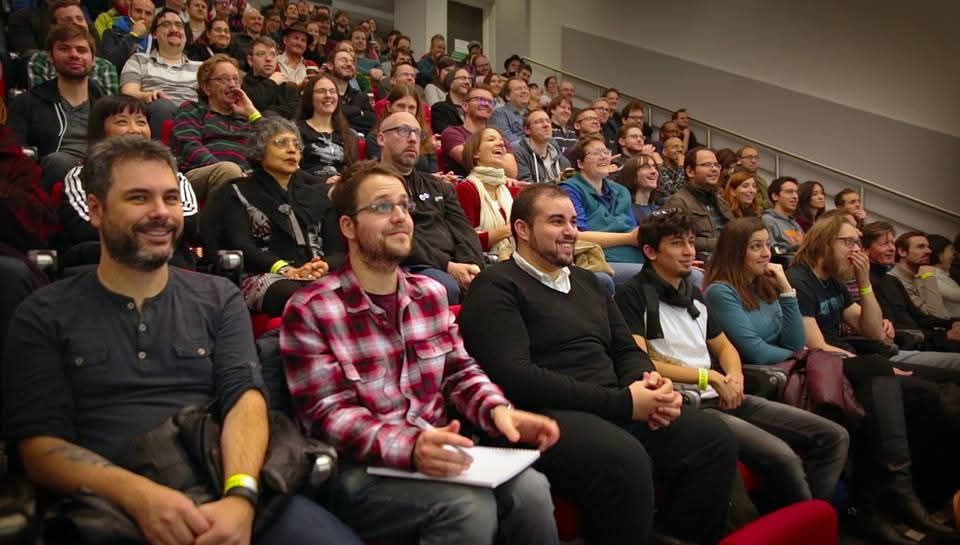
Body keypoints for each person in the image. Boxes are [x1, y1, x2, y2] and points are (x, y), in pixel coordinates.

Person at [3, 135, 364, 545]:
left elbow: (243, 400)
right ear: (97, 210)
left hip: (221, 480)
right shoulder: (43, 312)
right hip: (109, 506)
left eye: (171, 199)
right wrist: (141, 497)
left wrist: (241, 496)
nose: (161, 213)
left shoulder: (217, 297)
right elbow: (39, 447)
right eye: (139, 198)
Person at [280, 161, 559, 545]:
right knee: (467, 507)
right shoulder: (312, 307)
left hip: (435, 450)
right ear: (348, 227)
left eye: (404, 206)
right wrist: (410, 447)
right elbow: (327, 415)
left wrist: (499, 412)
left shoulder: (429, 294)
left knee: (533, 491)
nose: (399, 218)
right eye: (382, 207)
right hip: (359, 470)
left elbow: (459, 371)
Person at [458, 183, 738, 545]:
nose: (571, 231)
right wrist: (625, 403)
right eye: (556, 221)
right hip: (545, 414)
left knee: (713, 438)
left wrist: (649, 382)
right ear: (522, 230)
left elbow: (625, 348)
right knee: (624, 460)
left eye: (573, 221)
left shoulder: (588, 281)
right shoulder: (496, 286)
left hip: (613, 403)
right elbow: (516, 377)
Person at [703, 216, 960, 544]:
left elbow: (797, 341)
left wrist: (785, 291)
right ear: (734, 251)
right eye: (756, 246)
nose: (767, 252)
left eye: (768, 244)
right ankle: (886, 500)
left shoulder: (768, 284)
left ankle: (893, 499)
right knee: (876, 372)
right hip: (773, 377)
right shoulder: (722, 292)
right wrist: (795, 336)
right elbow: (757, 351)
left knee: (898, 390)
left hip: (801, 365)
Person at [617, 211, 848, 511]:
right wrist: (709, 377)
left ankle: (813, 523)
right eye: (677, 244)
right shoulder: (632, 295)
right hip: (687, 402)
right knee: (784, 458)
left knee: (832, 436)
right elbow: (641, 362)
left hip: (722, 392)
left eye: (690, 241)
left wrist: (735, 375)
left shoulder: (692, 292)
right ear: (650, 252)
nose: (689, 252)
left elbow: (725, 347)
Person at [201, 117, 343, 315]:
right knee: (297, 295)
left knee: (349, 289)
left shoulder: (317, 197)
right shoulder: (235, 192)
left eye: (296, 145)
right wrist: (285, 269)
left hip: (317, 275)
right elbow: (241, 245)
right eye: (281, 143)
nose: (292, 150)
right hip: (263, 275)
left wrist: (324, 264)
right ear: (259, 152)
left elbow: (338, 251)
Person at [60, 95, 198, 269]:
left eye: (141, 122)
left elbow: (190, 222)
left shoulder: (172, 175)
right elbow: (83, 227)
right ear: (101, 131)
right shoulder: (81, 175)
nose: (134, 130)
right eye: (122, 122)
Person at [378, 111, 485, 304]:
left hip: (451, 264)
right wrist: (448, 266)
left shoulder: (438, 186)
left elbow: (464, 230)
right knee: (445, 288)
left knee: (496, 283)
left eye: (417, 133)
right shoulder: (371, 185)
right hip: (409, 264)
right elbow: (393, 238)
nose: (412, 139)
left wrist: (471, 265)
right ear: (381, 138)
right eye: (403, 131)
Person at [9, 22, 107, 192]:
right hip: (51, 180)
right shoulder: (26, 102)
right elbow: (14, 154)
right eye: (64, 49)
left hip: (101, 175)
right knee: (59, 162)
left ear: (93, 59)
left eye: (81, 50)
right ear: (50, 56)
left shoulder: (106, 105)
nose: (74, 55)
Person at [861, 222, 960, 361]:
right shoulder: (867, 282)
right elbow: (894, 329)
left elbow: (918, 316)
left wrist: (952, 323)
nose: (891, 248)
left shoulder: (891, 280)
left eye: (892, 243)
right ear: (865, 250)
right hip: (909, 345)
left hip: (923, 340)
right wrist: (945, 336)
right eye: (884, 244)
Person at [172, 54, 258, 201]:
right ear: (206, 87)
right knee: (229, 171)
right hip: (201, 174)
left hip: (244, 176)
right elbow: (189, 147)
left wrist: (252, 113)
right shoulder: (193, 109)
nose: (232, 85)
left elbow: (272, 144)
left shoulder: (246, 117)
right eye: (224, 79)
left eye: (236, 79)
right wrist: (234, 172)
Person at [560, 135, 644, 283]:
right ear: (580, 163)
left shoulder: (621, 191)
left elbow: (632, 229)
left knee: (689, 274)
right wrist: (628, 238)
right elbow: (577, 236)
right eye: (596, 153)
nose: (604, 157)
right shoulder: (570, 190)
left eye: (606, 152)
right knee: (654, 276)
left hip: (635, 255)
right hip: (599, 259)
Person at [120, 8, 201, 138]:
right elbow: (128, 92)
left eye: (179, 25)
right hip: (158, 115)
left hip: (195, 120)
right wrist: (147, 95)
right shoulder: (139, 60)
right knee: (161, 106)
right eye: (166, 24)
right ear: (154, 34)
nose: (174, 29)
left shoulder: (201, 68)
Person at [27, 0, 119, 95]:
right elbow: (39, 102)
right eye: (67, 20)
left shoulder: (105, 66)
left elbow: (110, 107)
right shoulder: (39, 61)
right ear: (53, 27)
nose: (76, 23)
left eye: (80, 19)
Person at [454, 128, 517, 258]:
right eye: (491, 139)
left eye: (501, 141)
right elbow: (466, 241)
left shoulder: (511, 189)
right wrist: (510, 230)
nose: (500, 143)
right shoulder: (466, 189)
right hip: (482, 263)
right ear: (476, 153)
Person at [663, 147, 734, 257]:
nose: (714, 169)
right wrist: (722, 243)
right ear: (690, 171)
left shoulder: (721, 202)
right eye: (707, 165)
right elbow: (675, 239)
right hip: (703, 261)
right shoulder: (678, 202)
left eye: (716, 165)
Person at [441, 86, 518, 178]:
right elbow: (470, 161)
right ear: (465, 106)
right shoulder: (452, 132)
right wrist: (500, 162)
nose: (486, 104)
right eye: (480, 99)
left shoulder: (499, 137)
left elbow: (511, 172)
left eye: (491, 102)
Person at [296, 74, 358, 183]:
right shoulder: (295, 130)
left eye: (332, 91)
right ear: (309, 97)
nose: (328, 95)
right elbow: (293, 168)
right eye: (321, 91)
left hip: (340, 190)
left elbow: (352, 170)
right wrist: (322, 182)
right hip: (308, 189)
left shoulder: (349, 135)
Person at [365, 84, 437, 173]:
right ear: (389, 106)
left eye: (411, 107)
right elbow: (382, 170)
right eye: (400, 106)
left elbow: (434, 171)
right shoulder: (375, 138)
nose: (406, 111)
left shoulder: (423, 136)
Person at [889, 231, 954, 321]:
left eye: (928, 247)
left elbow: (943, 316)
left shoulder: (919, 276)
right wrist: (929, 275)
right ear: (902, 252)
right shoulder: (893, 280)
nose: (929, 251)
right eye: (921, 247)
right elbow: (938, 317)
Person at [242, 35, 299, 119]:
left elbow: (294, 113)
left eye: (273, 54)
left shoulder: (289, 87)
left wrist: (266, 110)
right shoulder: (241, 84)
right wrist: (272, 82)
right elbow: (253, 106)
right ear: (250, 60)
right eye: (261, 54)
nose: (268, 59)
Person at [514, 109, 570, 184]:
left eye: (548, 121)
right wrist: (556, 182)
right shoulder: (519, 153)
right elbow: (526, 188)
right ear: (527, 130)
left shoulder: (563, 161)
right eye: (539, 122)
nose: (546, 125)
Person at [329, 50, 376, 135]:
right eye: (343, 60)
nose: (349, 64)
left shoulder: (361, 96)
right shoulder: (324, 93)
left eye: (352, 62)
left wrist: (340, 114)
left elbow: (371, 122)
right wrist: (358, 111)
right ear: (330, 65)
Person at [99, 0, 156, 71]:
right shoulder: (111, 34)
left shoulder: (156, 42)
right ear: (129, 12)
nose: (142, 16)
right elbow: (109, 65)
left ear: (153, 18)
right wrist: (133, 36)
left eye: (148, 13)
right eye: (138, 11)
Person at [762, 176, 804, 255]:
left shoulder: (795, 223)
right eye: (789, 192)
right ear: (775, 196)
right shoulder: (767, 220)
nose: (795, 196)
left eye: (796, 192)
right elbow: (771, 251)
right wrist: (797, 247)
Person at [430, 66, 472, 135]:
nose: (467, 82)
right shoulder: (440, 108)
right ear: (450, 82)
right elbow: (447, 134)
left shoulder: (473, 108)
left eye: (470, 80)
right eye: (462, 78)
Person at [618, 155, 661, 222]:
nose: (654, 171)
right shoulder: (625, 211)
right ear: (632, 175)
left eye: (655, 167)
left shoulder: (658, 209)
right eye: (645, 167)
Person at [488, 77, 530, 147]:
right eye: (518, 89)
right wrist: (534, 144)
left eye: (526, 88)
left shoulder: (532, 114)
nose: (524, 91)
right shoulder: (499, 114)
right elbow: (508, 143)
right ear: (508, 96)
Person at [929, 234, 960, 317]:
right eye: (951, 250)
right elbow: (954, 295)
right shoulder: (930, 274)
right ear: (940, 254)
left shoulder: (944, 273)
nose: (954, 254)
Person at [657, 136, 686, 203]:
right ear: (664, 152)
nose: (680, 150)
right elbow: (674, 194)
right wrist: (681, 166)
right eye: (675, 147)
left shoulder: (685, 171)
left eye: (682, 147)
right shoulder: (660, 170)